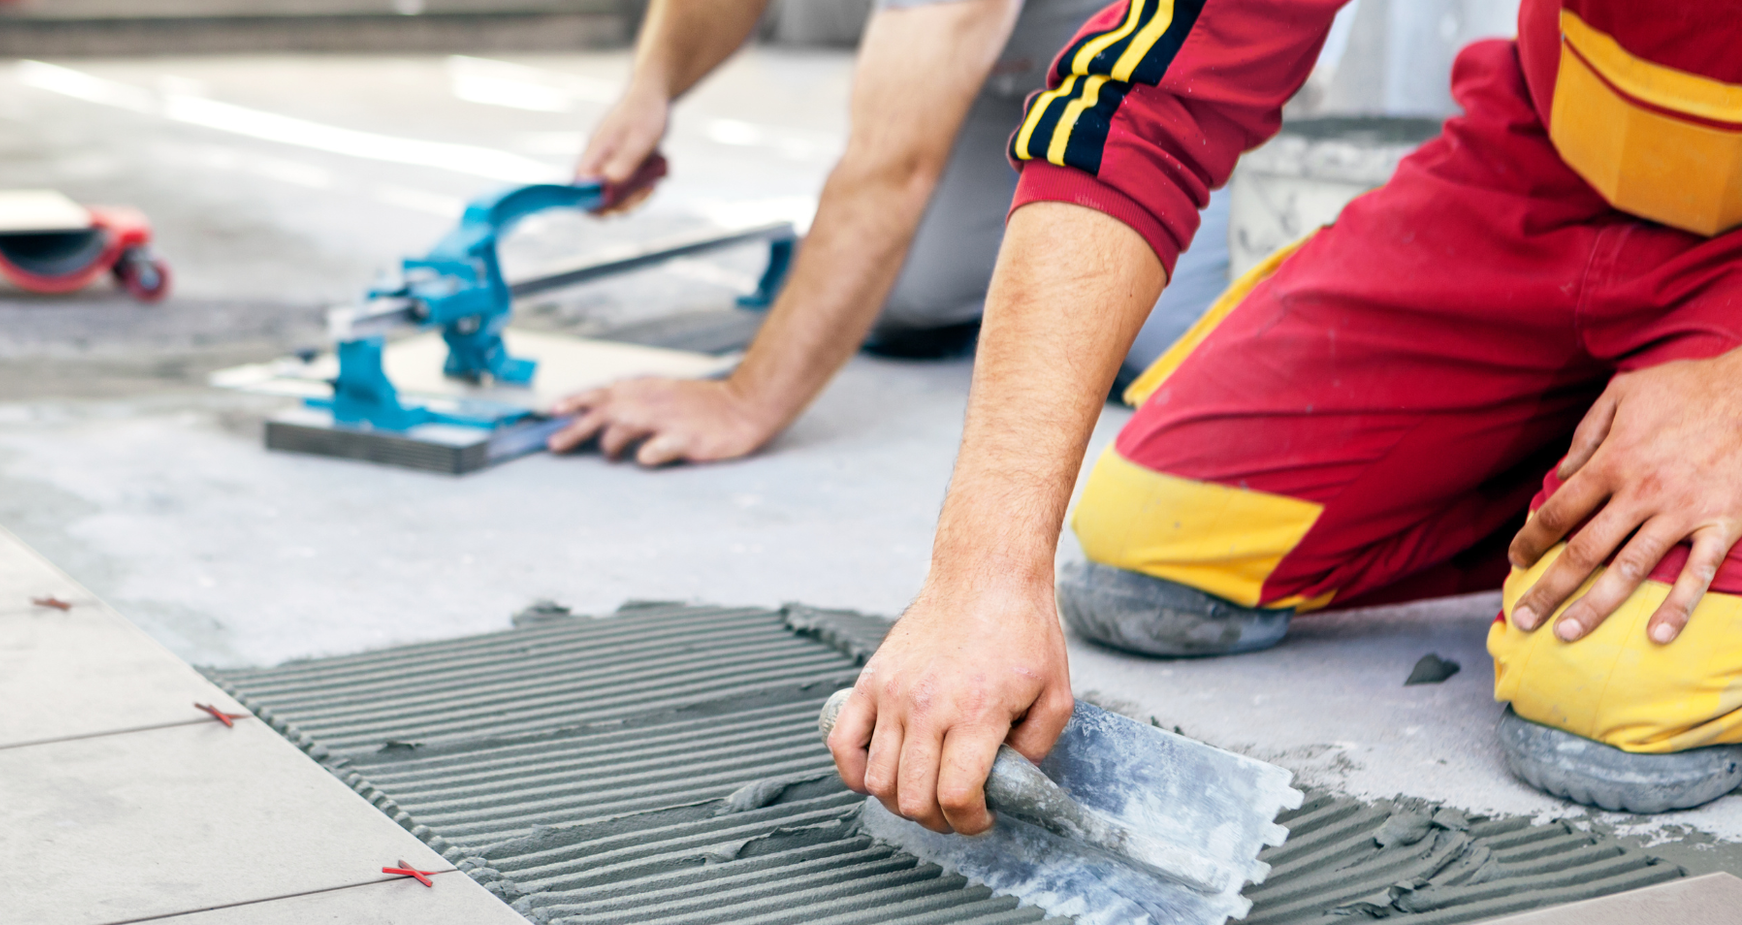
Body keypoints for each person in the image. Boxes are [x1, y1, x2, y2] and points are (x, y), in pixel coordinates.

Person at [827, 0, 1742, 824]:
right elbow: (1144, 98)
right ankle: (1590, 451)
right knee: (1155, 532)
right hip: (1561, 165)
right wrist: (981, 575)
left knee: (1614, 696)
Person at [546, 0, 1227, 464]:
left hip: (1186, 71)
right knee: (904, 296)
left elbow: (893, 167)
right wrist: (652, 88)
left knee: (1159, 338)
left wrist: (744, 401)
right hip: (1025, 69)